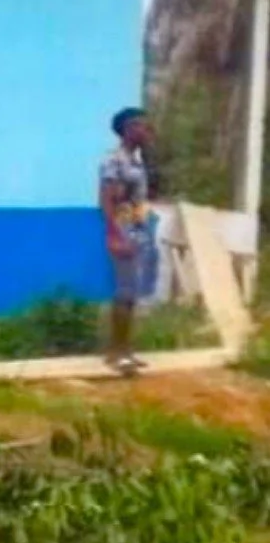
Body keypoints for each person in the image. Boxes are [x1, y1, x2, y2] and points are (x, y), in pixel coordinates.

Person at [98, 107, 159, 373]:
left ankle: (126, 351)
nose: (146, 131)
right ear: (127, 129)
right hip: (123, 228)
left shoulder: (137, 161)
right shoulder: (115, 160)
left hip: (138, 228)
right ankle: (116, 353)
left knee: (132, 293)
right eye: (141, 126)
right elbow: (107, 199)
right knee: (124, 292)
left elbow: (137, 199)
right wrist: (114, 234)